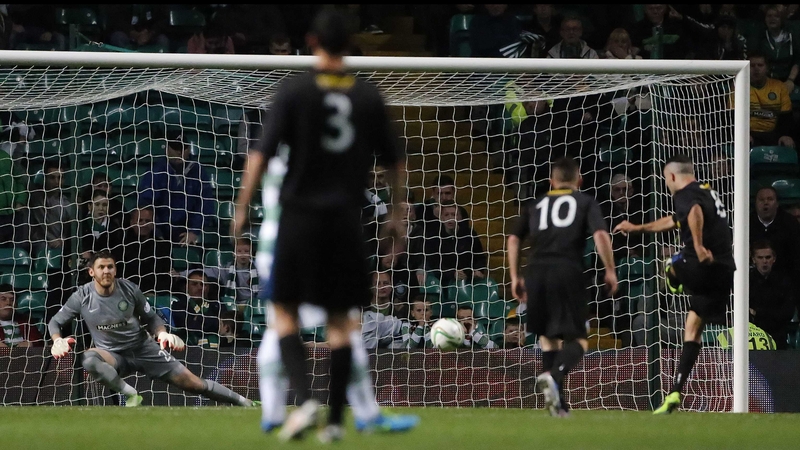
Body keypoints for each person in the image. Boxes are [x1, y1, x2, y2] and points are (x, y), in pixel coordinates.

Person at [231, 9, 418, 442]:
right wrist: (395, 212)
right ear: (350, 43)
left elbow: (260, 153)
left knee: (283, 315)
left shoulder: (295, 91)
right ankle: (335, 423)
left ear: (312, 41)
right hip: (345, 223)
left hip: (298, 220)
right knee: (342, 324)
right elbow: (395, 162)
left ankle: (305, 399)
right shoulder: (368, 96)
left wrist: (241, 206)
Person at [47, 250, 256, 407]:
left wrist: (163, 333)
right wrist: (57, 340)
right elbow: (55, 322)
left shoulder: (129, 290)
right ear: (92, 271)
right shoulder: (82, 296)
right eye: (101, 267)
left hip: (144, 349)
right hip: (113, 354)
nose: (106, 271)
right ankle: (130, 394)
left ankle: (246, 403)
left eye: (110, 266)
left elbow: (152, 318)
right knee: (89, 359)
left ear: (115, 269)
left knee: (195, 385)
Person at [614, 154, 735, 414]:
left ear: (671, 176)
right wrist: (637, 228)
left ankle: (673, 273)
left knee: (670, 260)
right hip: (724, 270)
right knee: (692, 327)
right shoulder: (707, 190)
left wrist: (700, 246)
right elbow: (673, 220)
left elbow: (692, 212)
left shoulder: (685, 194)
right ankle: (675, 392)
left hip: (700, 265)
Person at [507, 157, 617, 417]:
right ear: (579, 181)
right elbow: (601, 234)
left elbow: (513, 238)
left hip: (535, 272)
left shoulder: (535, 204)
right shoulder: (585, 201)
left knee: (548, 338)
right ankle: (554, 376)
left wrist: (514, 275)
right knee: (579, 339)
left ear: (551, 182)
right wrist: (610, 270)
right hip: (566, 271)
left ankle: (559, 404)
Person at [749, 240, 795, 349]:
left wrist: (758, 313)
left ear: (774, 259)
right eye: (760, 258)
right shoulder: (745, 282)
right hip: (751, 336)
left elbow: (787, 313)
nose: (764, 261)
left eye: (768, 257)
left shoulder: (784, 282)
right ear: (753, 259)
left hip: (778, 336)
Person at [748, 53, 796, 148]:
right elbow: (732, 115)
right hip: (749, 134)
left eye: (760, 65)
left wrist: (785, 135)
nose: (756, 69)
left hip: (773, 134)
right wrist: (742, 135)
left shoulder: (779, 87)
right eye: (752, 65)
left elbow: (786, 117)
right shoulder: (739, 86)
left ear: (767, 68)